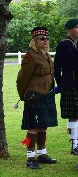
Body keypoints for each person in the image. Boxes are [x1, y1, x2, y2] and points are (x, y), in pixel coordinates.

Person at [17, 27, 58, 169]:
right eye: (42, 39)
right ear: (35, 41)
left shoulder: (46, 55)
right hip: (35, 95)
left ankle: (42, 154)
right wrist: (24, 96)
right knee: (33, 127)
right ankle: (30, 157)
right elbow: (22, 78)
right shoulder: (30, 56)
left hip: (47, 94)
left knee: (43, 126)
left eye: (47, 38)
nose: (45, 41)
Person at [54, 18, 78, 155]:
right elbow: (56, 67)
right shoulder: (64, 45)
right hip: (69, 84)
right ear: (69, 29)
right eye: (77, 27)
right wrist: (61, 84)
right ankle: (74, 145)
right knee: (73, 115)